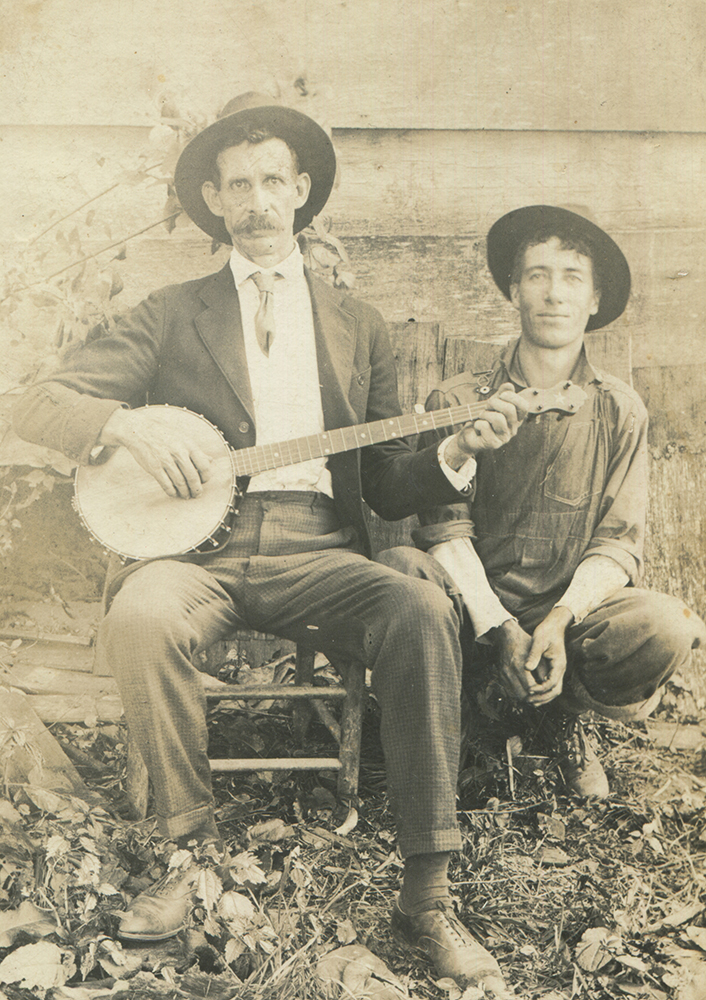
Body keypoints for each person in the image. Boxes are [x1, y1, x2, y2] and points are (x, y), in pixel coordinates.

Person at [13, 93, 529, 996]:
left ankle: (428, 891)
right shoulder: (170, 312)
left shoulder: (355, 321)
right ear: (213, 200)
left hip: (321, 549)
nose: (256, 200)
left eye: (272, 182)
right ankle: (186, 856)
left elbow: (383, 480)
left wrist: (451, 450)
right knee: (140, 614)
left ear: (301, 192)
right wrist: (127, 425)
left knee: (415, 603)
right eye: (236, 184)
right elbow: (37, 399)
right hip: (197, 555)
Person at [379, 204, 706, 800]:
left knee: (665, 625)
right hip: (470, 620)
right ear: (513, 289)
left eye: (572, 277)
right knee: (403, 572)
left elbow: (618, 542)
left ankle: (560, 716)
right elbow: (445, 533)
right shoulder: (458, 400)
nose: (553, 294)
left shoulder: (620, 409)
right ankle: (469, 711)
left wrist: (557, 621)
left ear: (595, 299)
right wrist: (501, 630)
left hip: (567, 625)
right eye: (537, 274)